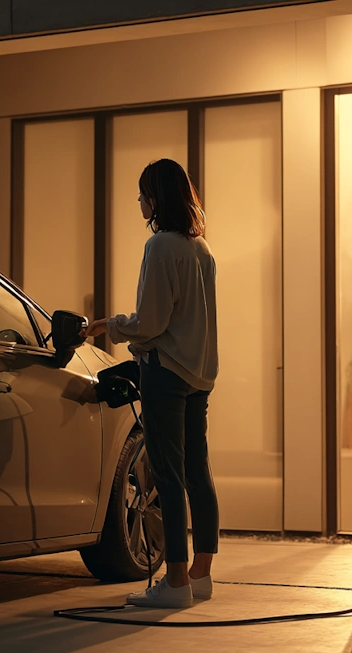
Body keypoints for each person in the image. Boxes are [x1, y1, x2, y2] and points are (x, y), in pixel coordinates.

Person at [86, 158, 220, 609]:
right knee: (197, 472)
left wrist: (110, 325)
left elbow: (151, 322)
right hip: (199, 374)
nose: (139, 202)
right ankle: (200, 574)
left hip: (165, 372)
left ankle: (176, 582)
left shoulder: (160, 246)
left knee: (167, 472)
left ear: (157, 198)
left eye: (143, 194)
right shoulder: (202, 250)